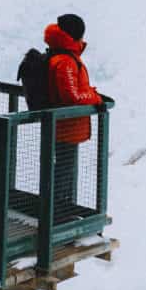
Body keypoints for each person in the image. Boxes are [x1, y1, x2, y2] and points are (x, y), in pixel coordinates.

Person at [45, 14, 102, 210]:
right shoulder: (66, 61)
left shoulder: (60, 55)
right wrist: (95, 97)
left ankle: (59, 211)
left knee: (63, 170)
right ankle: (58, 213)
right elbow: (73, 96)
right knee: (63, 172)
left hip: (63, 125)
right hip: (66, 127)